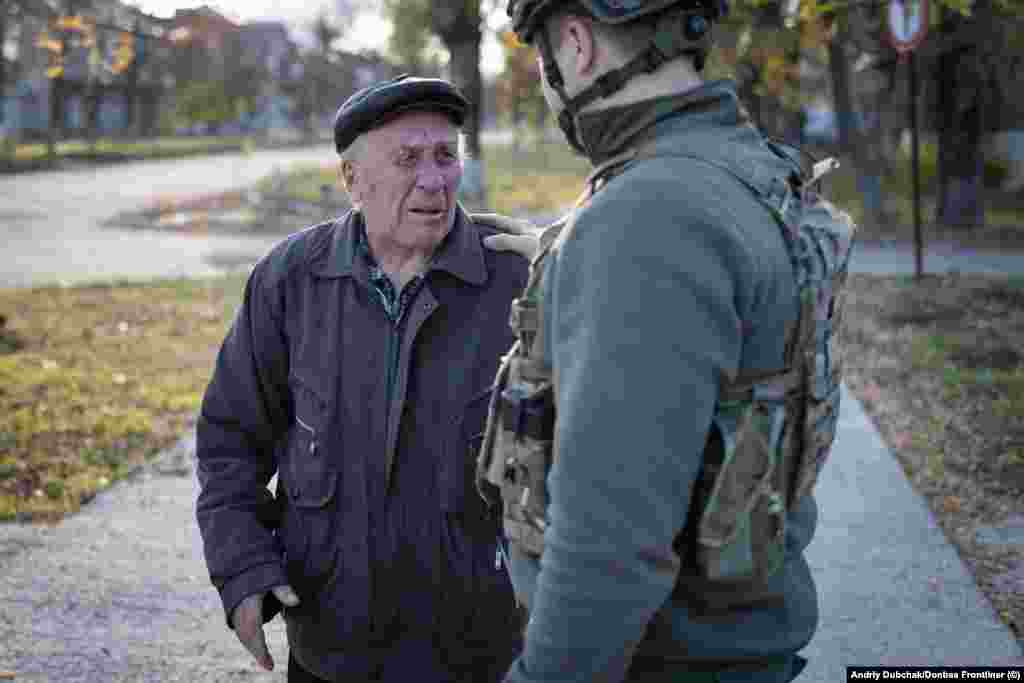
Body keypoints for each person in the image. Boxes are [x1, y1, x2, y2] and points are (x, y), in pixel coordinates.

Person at [477, 1, 857, 682]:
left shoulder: (645, 221)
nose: (544, 84)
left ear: (575, 44)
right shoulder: (749, 167)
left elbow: (608, 554)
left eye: (542, 61)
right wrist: (577, 276)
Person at [195, 75, 529, 683]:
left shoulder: (518, 275)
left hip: (479, 652)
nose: (434, 179)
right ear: (353, 180)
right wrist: (243, 568)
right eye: (407, 159)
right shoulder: (290, 280)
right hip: (332, 647)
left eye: (445, 156)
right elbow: (230, 442)